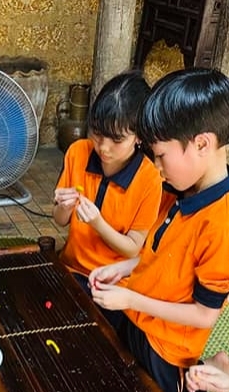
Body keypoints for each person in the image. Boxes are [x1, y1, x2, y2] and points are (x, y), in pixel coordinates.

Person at [88, 68, 229, 392]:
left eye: (160, 156)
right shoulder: (180, 190)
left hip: (168, 348)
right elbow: (163, 255)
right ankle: (214, 368)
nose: (156, 169)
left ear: (202, 143)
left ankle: (216, 377)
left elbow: (205, 315)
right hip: (140, 320)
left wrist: (130, 298)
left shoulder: (224, 223)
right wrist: (125, 268)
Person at [52, 71, 162, 292]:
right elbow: (60, 220)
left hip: (114, 283)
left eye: (117, 139)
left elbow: (132, 249)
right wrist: (63, 207)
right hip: (71, 269)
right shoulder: (78, 152)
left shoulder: (149, 179)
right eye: (98, 133)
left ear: (140, 136)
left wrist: (97, 223)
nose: (103, 147)